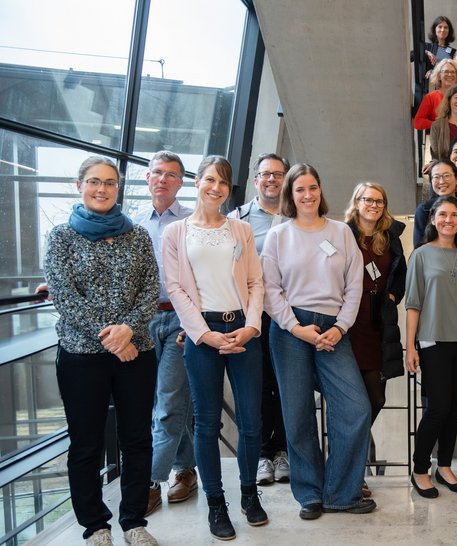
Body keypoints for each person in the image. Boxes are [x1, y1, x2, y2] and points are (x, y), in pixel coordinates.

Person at [46, 156, 159, 546]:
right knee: (86, 443)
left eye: (110, 183)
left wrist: (128, 331)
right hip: (81, 356)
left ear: (118, 188)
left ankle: (133, 521)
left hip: (137, 352)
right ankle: (95, 525)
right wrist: (110, 338)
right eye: (94, 181)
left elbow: (150, 290)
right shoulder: (61, 237)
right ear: (80, 185)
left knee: (137, 438)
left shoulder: (138, 236)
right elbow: (63, 295)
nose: (102, 189)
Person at [260, 164, 375, 520]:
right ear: (290, 196)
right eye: (299, 190)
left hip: (333, 331)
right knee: (297, 416)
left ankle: (341, 493)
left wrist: (340, 328)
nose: (307, 195)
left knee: (356, 409)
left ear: (320, 191)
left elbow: (355, 285)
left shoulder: (341, 232)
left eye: (312, 188)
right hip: (290, 330)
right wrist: (296, 328)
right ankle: (309, 494)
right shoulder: (278, 236)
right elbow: (270, 290)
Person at [162, 156, 268, 539]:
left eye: (223, 182)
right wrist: (202, 334)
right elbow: (174, 288)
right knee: (206, 424)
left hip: (241, 329)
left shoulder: (240, 230)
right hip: (201, 334)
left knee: (251, 422)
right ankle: (216, 504)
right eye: (209, 179)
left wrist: (252, 326)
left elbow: (256, 282)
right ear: (197, 182)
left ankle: (248, 494)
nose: (216, 188)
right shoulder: (175, 232)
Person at [405, 196, 457, 498]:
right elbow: (413, 304)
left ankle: (445, 466)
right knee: (438, 407)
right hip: (432, 341)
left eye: (454, 215)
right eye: (443, 214)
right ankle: (419, 469)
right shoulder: (422, 255)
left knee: (453, 408)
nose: (449, 220)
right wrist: (410, 347)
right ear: (433, 220)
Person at [132, 151, 197, 517]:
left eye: (171, 175)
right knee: (156, 402)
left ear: (180, 182)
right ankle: (186, 468)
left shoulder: (191, 221)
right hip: (141, 321)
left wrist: (195, 323)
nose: (163, 179)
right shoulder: (132, 222)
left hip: (180, 320)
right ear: (147, 177)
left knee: (170, 402)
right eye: (157, 173)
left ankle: (148, 482)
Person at [228, 153, 290, 487]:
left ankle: (283, 451)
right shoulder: (237, 219)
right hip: (251, 317)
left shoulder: (296, 216)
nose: (271, 180)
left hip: (287, 315)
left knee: (285, 386)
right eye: (266, 174)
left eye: (278, 174)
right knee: (257, 387)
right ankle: (264, 455)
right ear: (256, 180)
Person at [344, 182, 407, 422]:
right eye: (368, 200)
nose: (374, 205)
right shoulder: (343, 234)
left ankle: (356, 442)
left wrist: (393, 296)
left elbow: (401, 274)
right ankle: (354, 448)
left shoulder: (390, 237)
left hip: (379, 322)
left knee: (377, 399)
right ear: (357, 203)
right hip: (351, 321)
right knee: (353, 398)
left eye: (379, 201)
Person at [413, 160, 457, 247]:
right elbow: (419, 246)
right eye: (436, 177)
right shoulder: (423, 210)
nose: (441, 181)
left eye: (447, 176)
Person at [413, 59, 457, 131]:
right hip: (439, 138)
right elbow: (417, 122)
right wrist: (438, 125)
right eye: (446, 72)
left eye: (453, 72)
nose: (450, 75)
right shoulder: (431, 97)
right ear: (439, 75)